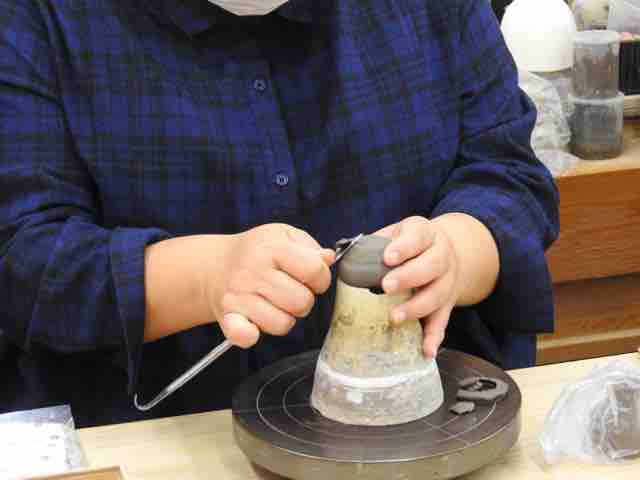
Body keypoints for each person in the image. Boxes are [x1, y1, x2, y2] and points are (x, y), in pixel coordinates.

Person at [0, 0, 559, 427]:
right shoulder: (42, 19)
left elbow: (510, 177)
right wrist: (204, 277)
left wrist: (454, 254)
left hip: (434, 427)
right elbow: (22, 255)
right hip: (166, 436)